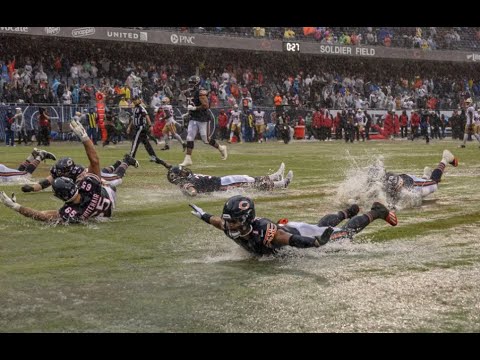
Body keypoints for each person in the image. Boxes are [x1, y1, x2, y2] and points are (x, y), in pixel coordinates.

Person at [189, 195, 397, 256]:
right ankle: (345, 212)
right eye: (229, 221)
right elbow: (216, 220)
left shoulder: (268, 234)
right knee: (320, 226)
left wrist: (315, 243)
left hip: (299, 233)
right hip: (295, 228)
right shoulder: (231, 226)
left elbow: (293, 241)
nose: (228, 225)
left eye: (233, 221)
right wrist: (203, 215)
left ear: (245, 220)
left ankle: (376, 211)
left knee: (343, 235)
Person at [0, 120, 116, 223]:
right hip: (107, 199)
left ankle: (120, 165)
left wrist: (16, 206)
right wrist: (84, 137)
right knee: (100, 179)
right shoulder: (88, 186)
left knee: (108, 178)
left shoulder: (71, 211)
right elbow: (94, 160)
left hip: (103, 204)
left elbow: (42, 216)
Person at [21, 151, 139, 193]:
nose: (60, 175)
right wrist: (31, 188)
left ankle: (126, 161)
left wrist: (105, 184)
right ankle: (115, 164)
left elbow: (81, 189)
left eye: (63, 172)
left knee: (117, 179)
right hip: (93, 172)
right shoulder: (58, 171)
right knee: (102, 170)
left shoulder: (79, 173)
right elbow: (45, 183)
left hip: (94, 177)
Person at [180, 75, 227, 166]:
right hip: (193, 117)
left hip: (203, 117)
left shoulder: (200, 91)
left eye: (192, 83)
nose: (190, 85)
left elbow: (206, 105)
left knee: (206, 139)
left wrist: (194, 108)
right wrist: (188, 112)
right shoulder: (190, 92)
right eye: (190, 83)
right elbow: (192, 104)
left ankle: (221, 148)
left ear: (197, 83)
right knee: (189, 137)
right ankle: (188, 159)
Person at [165, 162, 293, 196]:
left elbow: (171, 170)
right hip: (222, 185)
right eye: (181, 172)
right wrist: (193, 193)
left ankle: (274, 177)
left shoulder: (182, 179)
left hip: (222, 181)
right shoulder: (186, 183)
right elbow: (191, 190)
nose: (184, 171)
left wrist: (159, 161)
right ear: (178, 177)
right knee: (249, 182)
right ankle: (281, 184)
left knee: (248, 179)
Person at [127, 97, 169, 167]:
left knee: (135, 141)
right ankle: (153, 156)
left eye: (135, 100)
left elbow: (147, 116)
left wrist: (150, 125)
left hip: (140, 127)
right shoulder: (135, 109)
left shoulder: (141, 108)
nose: (134, 101)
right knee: (146, 143)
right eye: (133, 100)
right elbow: (133, 118)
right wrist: (129, 126)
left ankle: (131, 156)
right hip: (137, 127)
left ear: (138, 100)